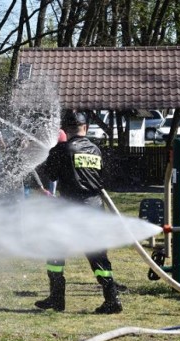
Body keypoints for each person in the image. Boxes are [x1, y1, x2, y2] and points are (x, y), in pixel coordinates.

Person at [35, 110, 124, 315]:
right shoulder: (96, 150)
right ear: (86, 128)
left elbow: (51, 174)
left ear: (65, 130)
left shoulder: (61, 150)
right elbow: (101, 179)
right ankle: (112, 299)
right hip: (94, 209)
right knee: (97, 255)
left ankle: (57, 298)